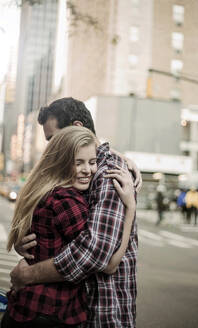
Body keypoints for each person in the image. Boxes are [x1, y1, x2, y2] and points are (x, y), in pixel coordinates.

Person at [10, 97, 140, 327]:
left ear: (77, 129)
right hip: (62, 311)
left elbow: (96, 255)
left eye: (53, 138)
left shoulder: (110, 176)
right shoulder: (67, 181)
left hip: (102, 314)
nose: (50, 147)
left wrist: (27, 275)